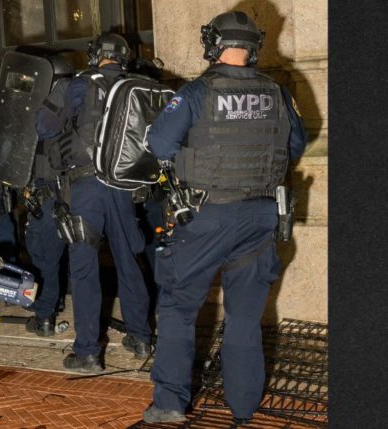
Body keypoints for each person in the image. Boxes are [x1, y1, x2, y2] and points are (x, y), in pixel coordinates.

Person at [142, 11, 307, 424]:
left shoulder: (197, 93)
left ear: (214, 44)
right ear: (254, 46)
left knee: (179, 308)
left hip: (206, 216)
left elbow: (159, 143)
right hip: (261, 216)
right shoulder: (278, 92)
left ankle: (169, 405)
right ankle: (244, 407)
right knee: (245, 316)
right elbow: (296, 145)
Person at [38, 33, 153, 372]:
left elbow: (44, 127)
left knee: (85, 267)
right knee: (128, 261)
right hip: (123, 187)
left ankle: (88, 351)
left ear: (94, 56)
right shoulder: (137, 87)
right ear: (124, 58)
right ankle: (140, 336)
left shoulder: (77, 85)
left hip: (86, 186)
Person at [23, 54, 75, 336]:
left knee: (45, 258)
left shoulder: (51, 110)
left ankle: (45, 317)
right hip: (72, 192)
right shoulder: (76, 105)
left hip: (50, 193)